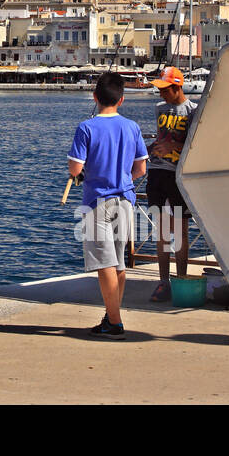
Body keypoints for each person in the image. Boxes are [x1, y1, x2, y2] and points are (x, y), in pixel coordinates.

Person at [67, 72, 148, 339]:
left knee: (104, 264)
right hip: (125, 201)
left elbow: (75, 167)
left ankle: (114, 322)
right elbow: (140, 169)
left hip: (96, 201)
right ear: (121, 99)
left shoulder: (86, 128)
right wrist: (121, 176)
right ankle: (111, 316)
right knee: (118, 263)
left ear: (95, 97)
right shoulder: (132, 127)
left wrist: (83, 175)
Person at [145, 66, 198, 302]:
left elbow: (196, 143)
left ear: (177, 88)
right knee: (163, 230)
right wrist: (153, 149)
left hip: (178, 175)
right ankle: (163, 281)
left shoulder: (193, 111)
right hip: (158, 172)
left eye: (165, 90)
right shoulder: (159, 109)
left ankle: (182, 278)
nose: (161, 95)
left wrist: (173, 148)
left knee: (181, 231)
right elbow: (161, 136)